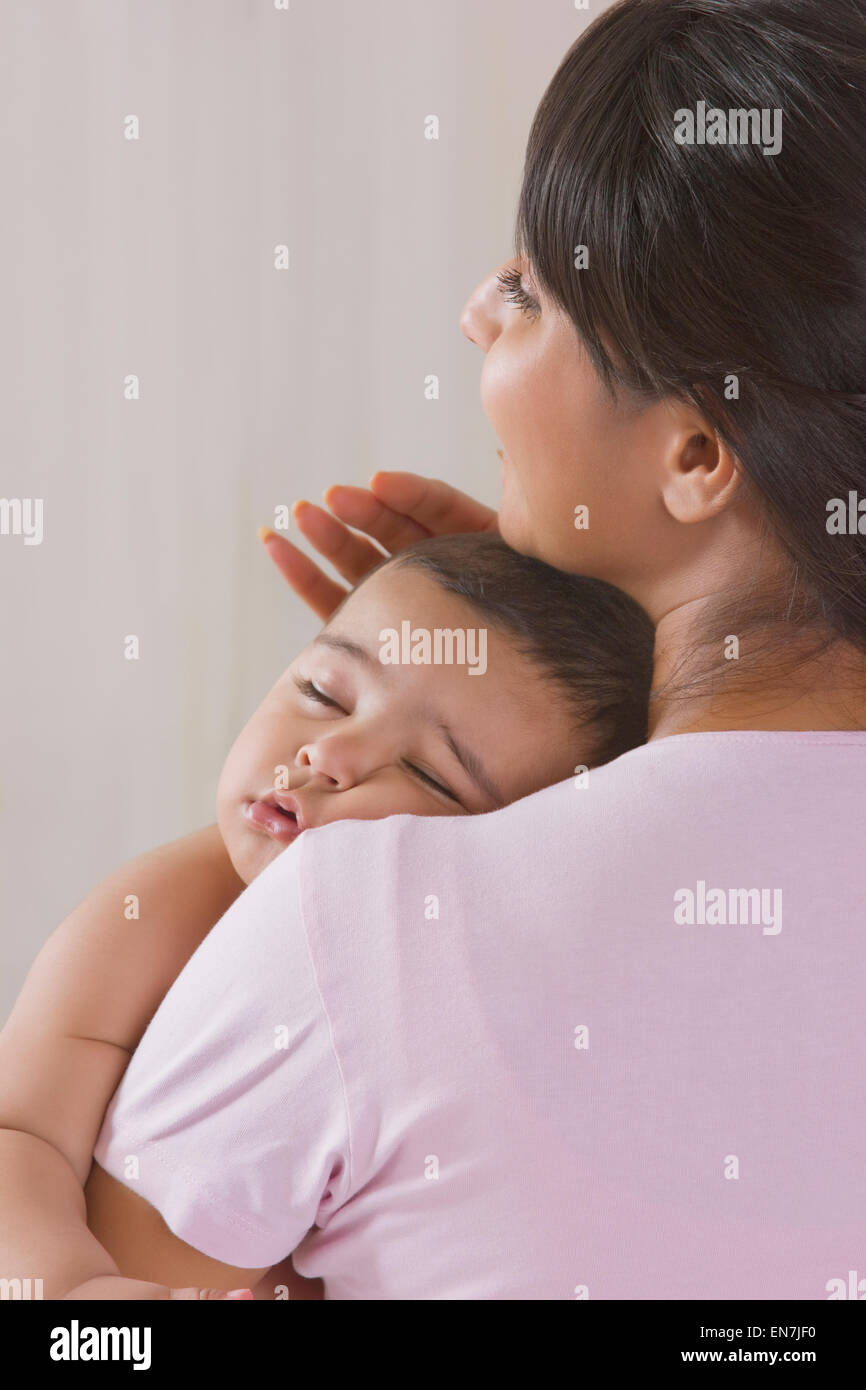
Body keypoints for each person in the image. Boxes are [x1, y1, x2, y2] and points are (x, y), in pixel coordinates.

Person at [4, 0, 866, 1300]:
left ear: (694, 455)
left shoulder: (349, 930)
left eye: (529, 291)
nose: (474, 313)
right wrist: (588, 665)